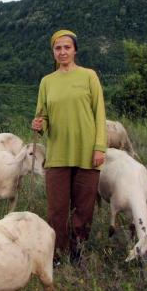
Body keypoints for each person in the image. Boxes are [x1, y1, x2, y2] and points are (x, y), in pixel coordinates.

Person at [31, 29, 107, 265]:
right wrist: (38, 124)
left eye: (67, 47)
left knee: (84, 209)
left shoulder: (89, 77)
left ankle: (78, 252)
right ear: (53, 52)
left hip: (87, 153)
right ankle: (57, 255)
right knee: (57, 210)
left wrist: (99, 148)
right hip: (57, 155)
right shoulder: (47, 82)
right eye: (58, 48)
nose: (62, 52)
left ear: (75, 50)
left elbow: (99, 114)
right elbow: (42, 116)